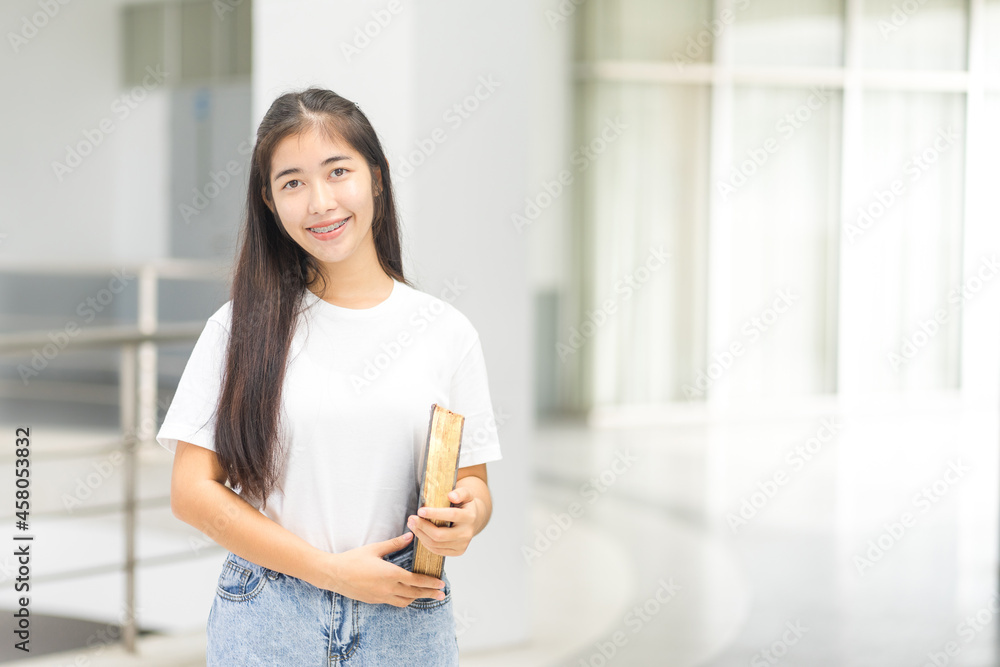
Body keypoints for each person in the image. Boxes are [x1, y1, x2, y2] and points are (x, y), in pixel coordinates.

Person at [156, 87, 503, 666]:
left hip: (405, 614)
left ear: (377, 178)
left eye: (337, 171)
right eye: (292, 182)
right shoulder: (239, 328)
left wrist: (467, 518)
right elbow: (191, 493)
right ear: (269, 202)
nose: (320, 202)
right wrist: (331, 573)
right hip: (269, 613)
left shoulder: (445, 332)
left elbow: (476, 487)